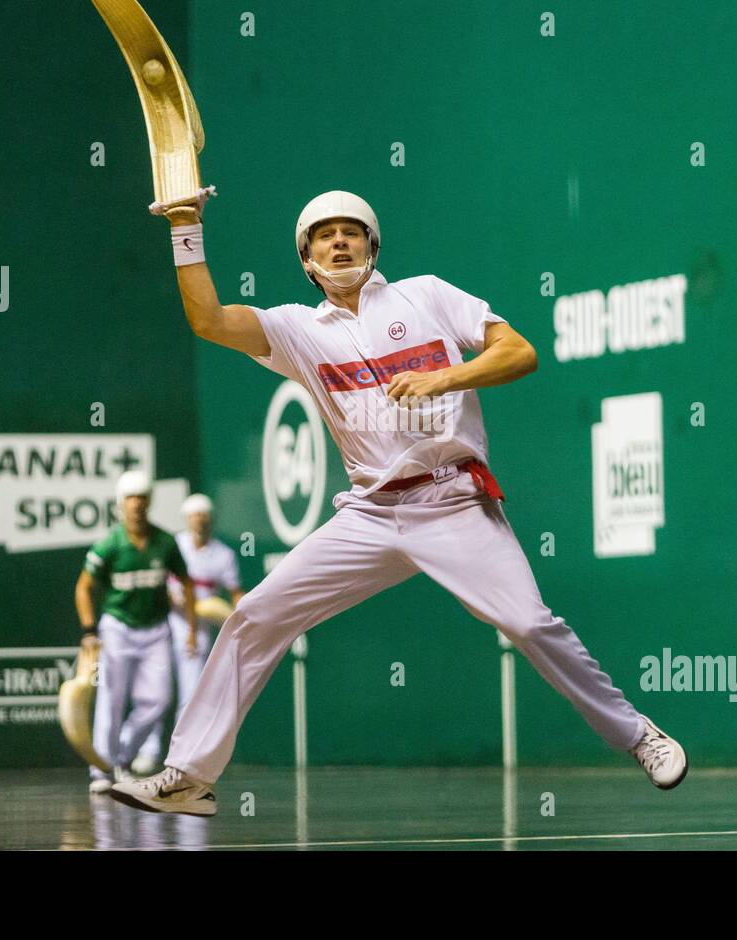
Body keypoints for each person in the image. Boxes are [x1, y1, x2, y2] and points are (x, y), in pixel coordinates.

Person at [109, 189, 687, 815]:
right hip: (370, 514)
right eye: (324, 235)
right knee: (254, 614)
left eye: (351, 232)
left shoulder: (428, 295)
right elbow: (209, 320)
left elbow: (520, 352)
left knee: (527, 622)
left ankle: (638, 735)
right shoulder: (296, 331)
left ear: (372, 245)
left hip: (454, 503)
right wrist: (186, 228)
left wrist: (445, 376)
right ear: (307, 260)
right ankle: (190, 776)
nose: (338, 242)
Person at [75, 470, 195, 794]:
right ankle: (101, 769)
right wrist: (89, 630)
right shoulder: (109, 545)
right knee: (111, 701)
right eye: (130, 499)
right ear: (120, 504)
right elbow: (83, 588)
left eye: (142, 498)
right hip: (117, 629)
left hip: (156, 630)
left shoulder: (165, 543)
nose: (137, 505)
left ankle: (123, 757)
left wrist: (192, 630)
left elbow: (186, 583)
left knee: (159, 700)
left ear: (149, 502)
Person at [131, 492, 245, 775]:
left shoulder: (224, 555)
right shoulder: (174, 545)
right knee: (155, 691)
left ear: (211, 520)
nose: (200, 521)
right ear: (186, 519)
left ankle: (181, 757)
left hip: (199, 630)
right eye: (195, 515)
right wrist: (171, 596)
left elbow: (235, 593)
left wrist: (245, 613)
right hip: (163, 623)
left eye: (204, 516)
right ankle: (149, 750)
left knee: (190, 694)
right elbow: (156, 579)